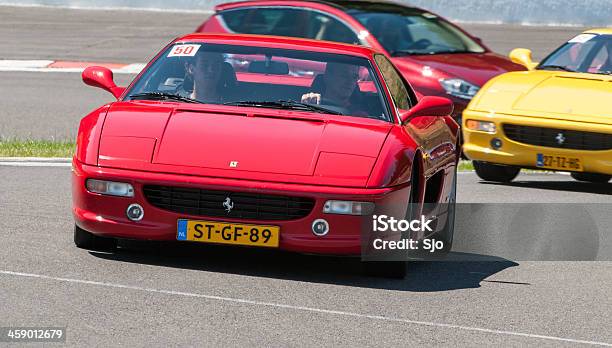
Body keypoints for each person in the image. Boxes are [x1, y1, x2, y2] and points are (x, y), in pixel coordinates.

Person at [301, 62, 367, 115]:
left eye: (354, 77)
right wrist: (306, 105)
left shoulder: (358, 115)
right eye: (344, 75)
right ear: (328, 76)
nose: (350, 81)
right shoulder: (311, 102)